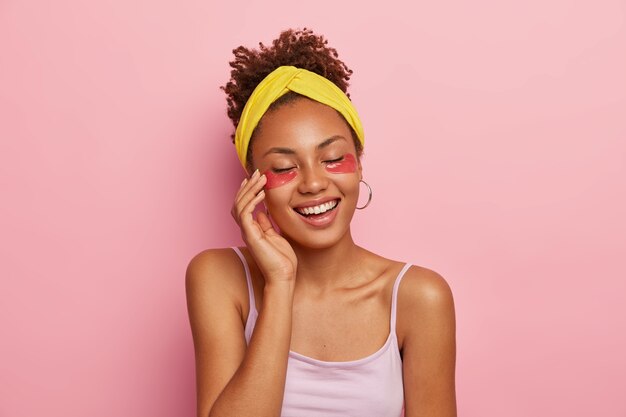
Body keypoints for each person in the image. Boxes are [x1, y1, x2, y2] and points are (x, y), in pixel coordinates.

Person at [185, 28, 457, 417]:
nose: (314, 183)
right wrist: (280, 283)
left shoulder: (418, 298)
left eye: (332, 158)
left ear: (359, 162)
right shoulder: (219, 278)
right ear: (253, 182)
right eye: (283, 167)